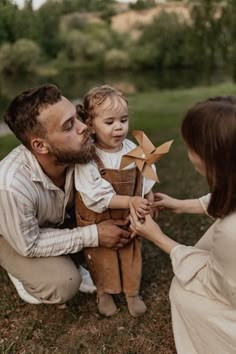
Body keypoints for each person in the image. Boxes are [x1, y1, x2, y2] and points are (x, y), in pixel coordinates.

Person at [0, 84, 131, 306]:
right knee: (64, 282)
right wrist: (94, 234)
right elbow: (29, 244)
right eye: (69, 126)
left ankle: (75, 255)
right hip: (14, 234)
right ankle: (19, 269)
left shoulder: (79, 153)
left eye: (78, 118)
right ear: (40, 146)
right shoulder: (11, 185)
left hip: (59, 219)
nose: (85, 128)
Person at [129, 96, 236, 353]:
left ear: (208, 157)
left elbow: (219, 287)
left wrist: (159, 238)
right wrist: (182, 204)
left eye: (190, 146)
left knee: (182, 289)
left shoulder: (230, 231)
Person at [74, 85, 157, 317]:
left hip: (127, 215)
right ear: (91, 125)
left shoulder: (133, 149)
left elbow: (145, 175)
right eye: (109, 122)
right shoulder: (87, 157)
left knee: (131, 251)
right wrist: (131, 201)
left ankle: (132, 292)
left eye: (123, 120)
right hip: (98, 217)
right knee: (102, 257)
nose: (119, 127)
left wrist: (147, 196)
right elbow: (95, 196)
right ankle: (104, 291)